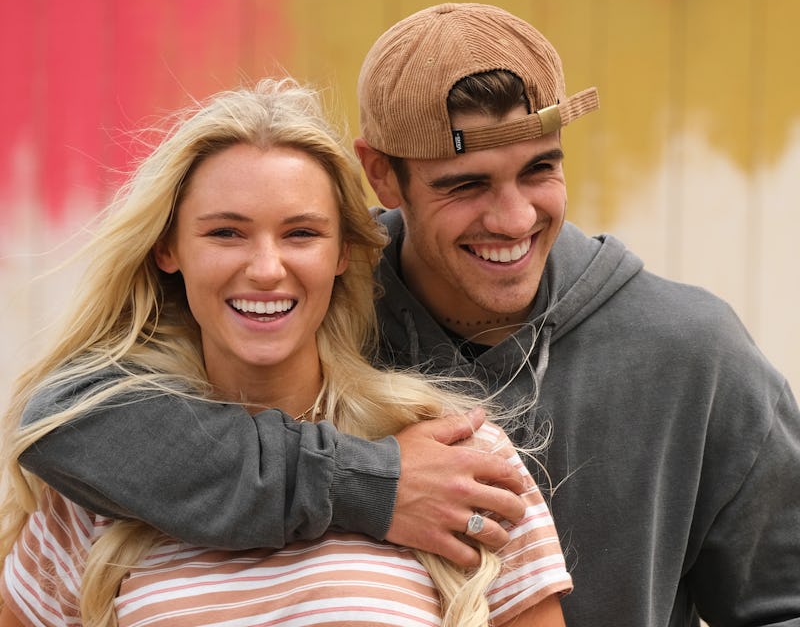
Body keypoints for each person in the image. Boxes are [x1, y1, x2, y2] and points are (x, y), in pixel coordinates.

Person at [8, 1, 800, 627]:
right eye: (465, 184)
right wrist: (376, 484)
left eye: (540, 170)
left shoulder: (694, 352)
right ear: (383, 177)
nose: (516, 217)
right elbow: (71, 417)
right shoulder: (301, 305)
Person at [0, 78, 572, 625]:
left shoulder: (457, 461)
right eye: (226, 233)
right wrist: (370, 482)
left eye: (301, 234)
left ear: (344, 251)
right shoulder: (102, 476)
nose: (267, 270)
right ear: (167, 249)